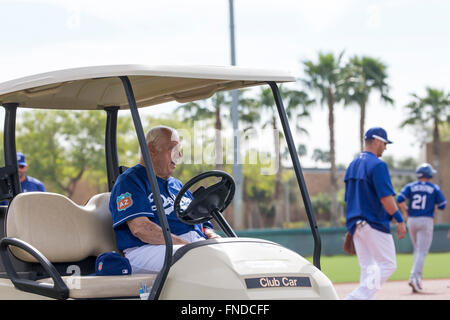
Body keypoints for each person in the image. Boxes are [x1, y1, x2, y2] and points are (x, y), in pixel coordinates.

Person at [109, 125, 220, 274]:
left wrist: (212, 236)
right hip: (147, 249)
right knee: (201, 261)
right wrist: (187, 246)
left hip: (186, 245)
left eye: (179, 151)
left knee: (233, 254)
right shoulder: (130, 181)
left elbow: (202, 224)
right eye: (173, 149)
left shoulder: (178, 185)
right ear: (151, 150)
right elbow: (141, 229)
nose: (179, 155)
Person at [344, 127, 406, 300]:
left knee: (369, 268)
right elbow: (386, 198)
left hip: (356, 223)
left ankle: (363, 298)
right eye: (385, 144)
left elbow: (349, 199)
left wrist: (352, 226)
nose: (385, 148)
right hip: (373, 222)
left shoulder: (352, 165)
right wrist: (400, 220)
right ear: (377, 141)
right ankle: (355, 297)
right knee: (388, 264)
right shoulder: (378, 165)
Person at [397, 163, 446, 293]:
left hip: (412, 220)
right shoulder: (434, 187)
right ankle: (414, 278)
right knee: (421, 251)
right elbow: (442, 205)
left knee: (418, 250)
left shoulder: (410, 186)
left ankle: (417, 279)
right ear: (429, 174)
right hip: (426, 220)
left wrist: (405, 211)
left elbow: (399, 199)